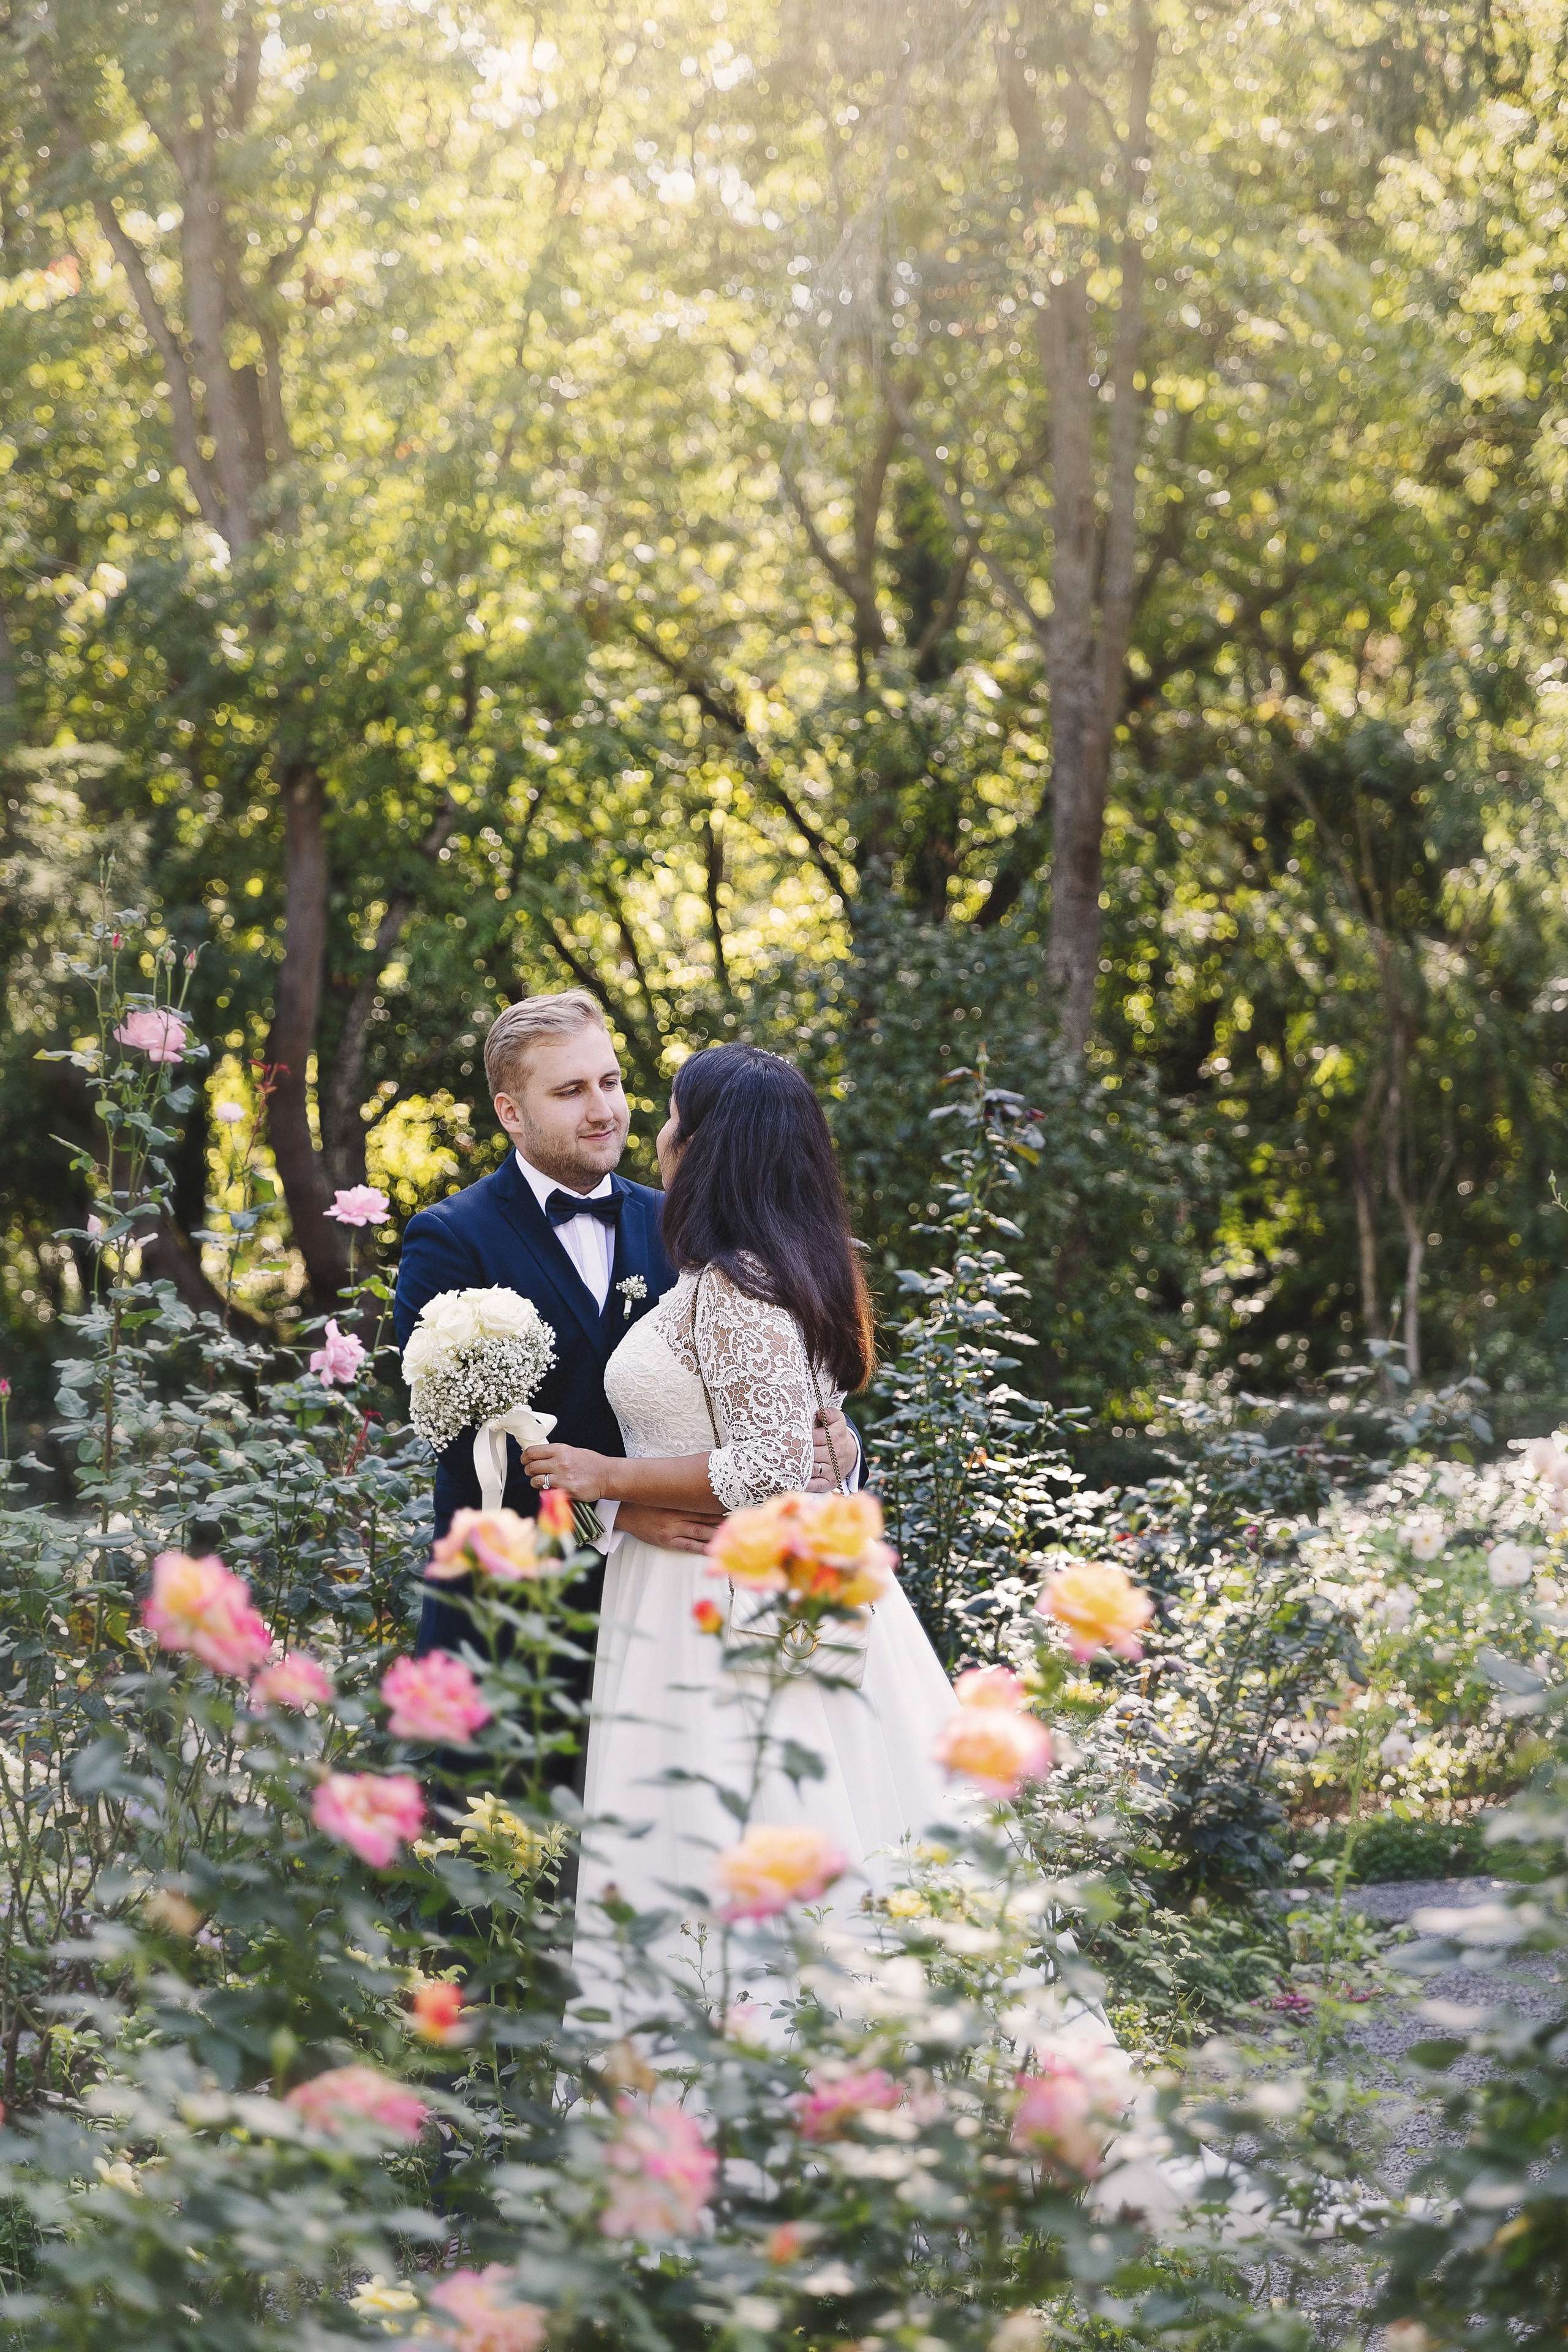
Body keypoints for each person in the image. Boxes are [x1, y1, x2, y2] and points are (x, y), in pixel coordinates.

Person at [519, 1043, 960, 1984]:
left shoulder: (733, 1286)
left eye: (675, 1112)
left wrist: (606, 1478)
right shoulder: (767, 1268)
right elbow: (805, 1436)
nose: (659, 1130)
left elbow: (768, 1462)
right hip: (690, 1582)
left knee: (738, 1832)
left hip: (719, 1603)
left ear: (708, 1143)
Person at [392, 993, 854, 1722]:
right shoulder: (451, 1238)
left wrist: (838, 1446)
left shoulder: (686, 1219)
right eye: (570, 1091)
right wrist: (615, 1509)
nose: (603, 1109)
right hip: (518, 1619)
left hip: (687, 1608)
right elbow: (459, 1440)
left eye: (609, 1082)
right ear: (511, 1112)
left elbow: (781, 1384)